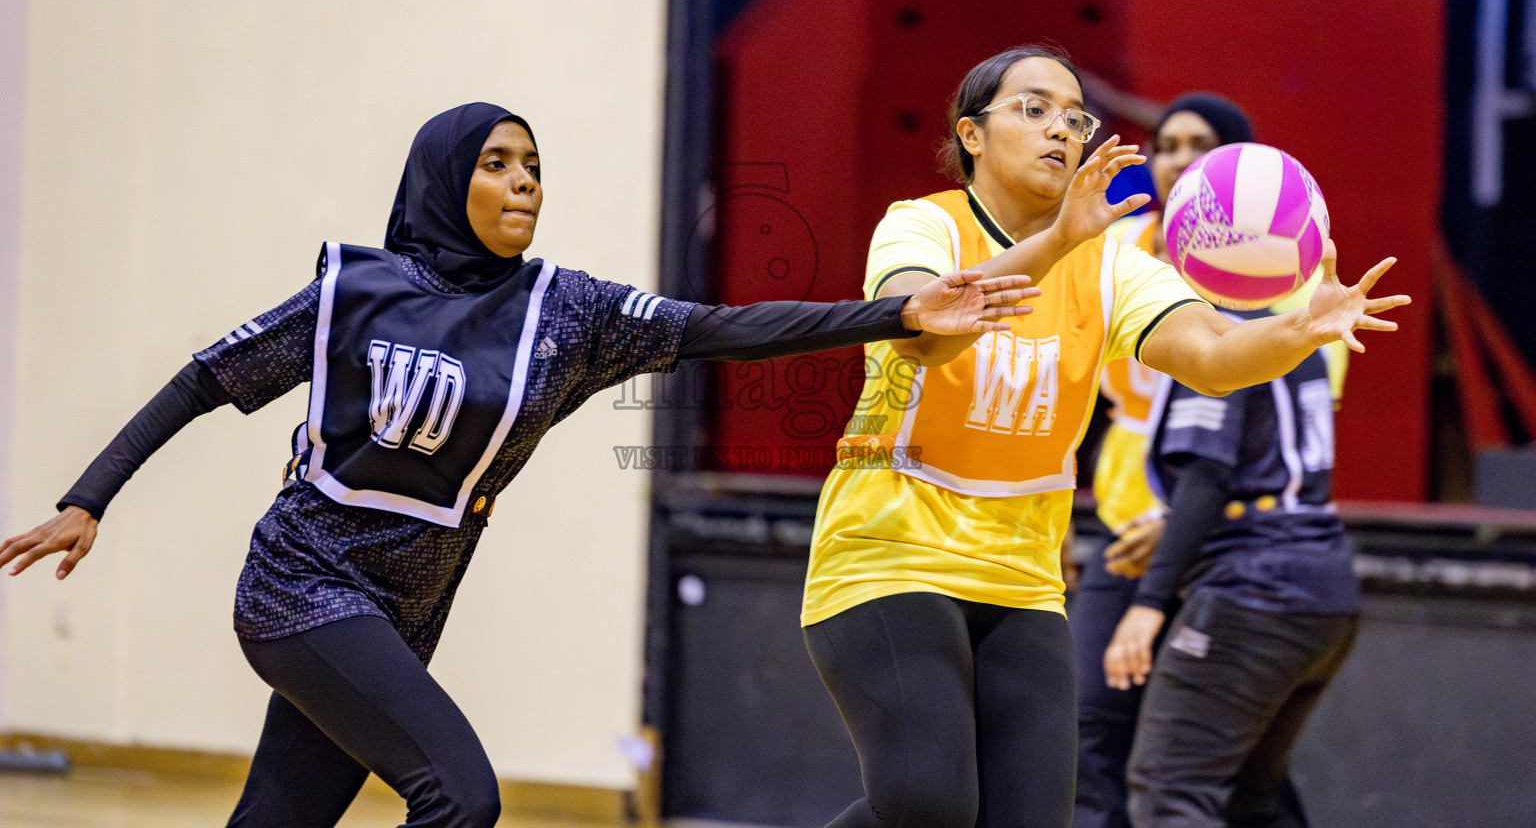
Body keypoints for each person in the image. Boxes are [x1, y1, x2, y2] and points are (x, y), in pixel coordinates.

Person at [0, 102, 1040, 828]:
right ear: (447, 179)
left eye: (534, 164)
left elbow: (724, 325)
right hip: (301, 587)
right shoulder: (355, 292)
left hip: (408, 607)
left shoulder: (569, 311)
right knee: (461, 796)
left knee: (279, 817)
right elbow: (203, 378)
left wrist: (899, 311)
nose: (523, 182)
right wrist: (88, 499)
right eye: (498, 162)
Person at [798, 46, 1407, 828]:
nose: (1061, 128)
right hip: (888, 551)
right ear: (972, 136)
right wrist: (1058, 244)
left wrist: (1295, 330)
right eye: (1033, 108)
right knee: (929, 806)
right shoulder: (923, 226)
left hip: (1019, 574)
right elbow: (926, 327)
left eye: (1075, 116)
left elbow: (1216, 359)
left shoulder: (1113, 268)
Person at [1074, 93, 1260, 828]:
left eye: (1200, 143)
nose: (1179, 157)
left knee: (1225, 768)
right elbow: (1070, 385)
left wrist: (1199, 516)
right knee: (1088, 727)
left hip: (1227, 537)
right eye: (1168, 143)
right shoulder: (1117, 247)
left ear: (1238, 162)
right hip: (1123, 529)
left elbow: (1285, 430)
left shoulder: (1278, 260)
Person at [1102, 306, 1359, 828]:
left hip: (1255, 589)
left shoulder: (1218, 339)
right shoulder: (1294, 331)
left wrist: (1148, 604)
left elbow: (1209, 476)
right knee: (1252, 800)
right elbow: (1260, 470)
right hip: (1325, 584)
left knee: (1169, 790)